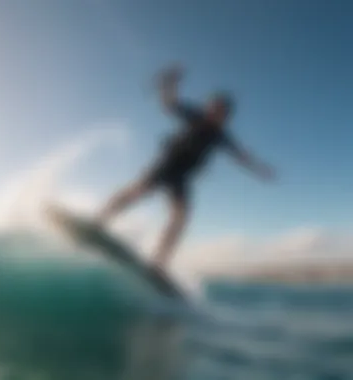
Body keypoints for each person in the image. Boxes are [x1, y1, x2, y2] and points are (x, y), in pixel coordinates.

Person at [97, 64, 275, 272]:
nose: (213, 111)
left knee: (181, 216)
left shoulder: (221, 136)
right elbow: (169, 104)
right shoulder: (196, 116)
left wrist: (261, 169)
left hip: (182, 177)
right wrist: (169, 83)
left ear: (225, 115)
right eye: (211, 107)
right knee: (138, 191)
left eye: (219, 110)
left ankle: (159, 261)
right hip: (168, 164)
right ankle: (100, 220)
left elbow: (241, 157)